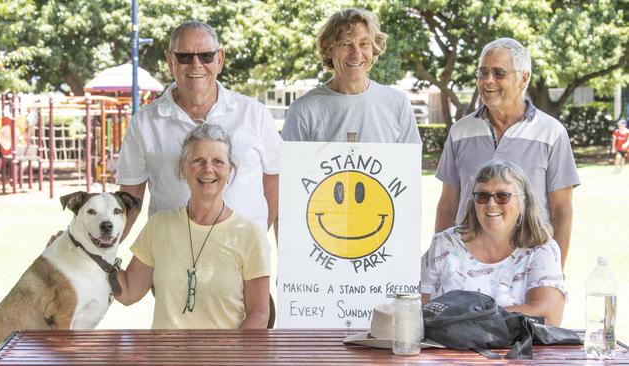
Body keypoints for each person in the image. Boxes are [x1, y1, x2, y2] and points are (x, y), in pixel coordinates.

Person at [117, 20, 281, 238]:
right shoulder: (144, 123)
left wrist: (256, 238)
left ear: (219, 59)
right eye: (185, 56)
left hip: (243, 262)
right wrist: (92, 252)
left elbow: (275, 183)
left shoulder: (255, 114)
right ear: (170, 60)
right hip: (171, 259)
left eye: (206, 56)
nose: (196, 64)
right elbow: (129, 199)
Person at [434, 37, 579, 268]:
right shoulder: (460, 131)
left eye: (499, 73)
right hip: (465, 267)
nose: (487, 81)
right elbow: (448, 206)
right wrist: (439, 264)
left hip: (529, 266)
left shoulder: (552, 133)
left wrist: (553, 274)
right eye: (483, 73)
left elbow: (562, 210)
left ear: (524, 78)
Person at [116, 124, 270, 329]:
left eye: (218, 161)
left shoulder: (250, 234)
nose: (208, 169)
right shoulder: (159, 226)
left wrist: (230, 354)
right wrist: (88, 252)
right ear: (183, 167)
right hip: (166, 358)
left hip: (222, 358)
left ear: (229, 170)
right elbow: (128, 292)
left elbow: (259, 313)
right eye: (198, 160)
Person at [422, 161, 566, 326]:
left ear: (523, 202)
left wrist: (461, 318)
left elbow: (548, 316)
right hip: (445, 350)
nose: (491, 204)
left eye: (502, 196)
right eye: (482, 196)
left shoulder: (541, 249)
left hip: (516, 351)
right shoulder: (444, 243)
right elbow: (416, 308)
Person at [281, 8, 421, 143]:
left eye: (364, 44)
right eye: (346, 44)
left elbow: (410, 165)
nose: (356, 54)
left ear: (374, 50)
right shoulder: (303, 110)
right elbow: (290, 166)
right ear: (329, 50)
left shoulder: (398, 104)